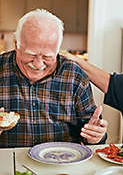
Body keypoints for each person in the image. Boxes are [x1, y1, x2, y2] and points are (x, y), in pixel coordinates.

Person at [0, 9, 107, 148]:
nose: (38, 64)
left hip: (61, 163)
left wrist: (96, 136)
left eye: (47, 56)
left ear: (58, 50)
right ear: (16, 44)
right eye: (31, 54)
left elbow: (91, 131)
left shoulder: (74, 76)